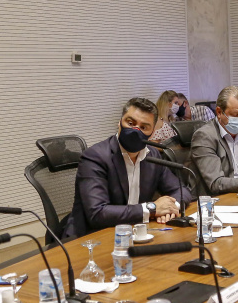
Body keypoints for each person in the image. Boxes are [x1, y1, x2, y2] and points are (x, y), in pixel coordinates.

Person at [62, 98, 192, 239]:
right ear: (119, 122)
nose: (135, 130)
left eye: (143, 127)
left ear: (152, 133)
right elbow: (97, 213)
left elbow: (180, 189)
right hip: (92, 237)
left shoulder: (152, 155)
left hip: (134, 232)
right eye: (130, 123)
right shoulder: (95, 157)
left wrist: (171, 208)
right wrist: (152, 209)